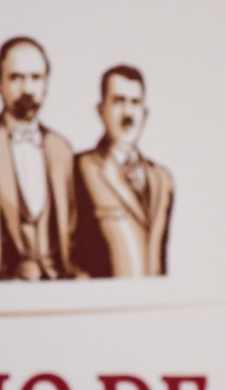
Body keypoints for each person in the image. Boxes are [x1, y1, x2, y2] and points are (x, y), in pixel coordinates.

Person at [0, 37, 77, 280]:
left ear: (46, 83)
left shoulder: (62, 150)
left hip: (59, 287)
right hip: (4, 292)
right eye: (16, 78)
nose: (27, 89)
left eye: (36, 78)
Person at [72, 65, 173, 277]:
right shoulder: (81, 168)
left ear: (144, 112)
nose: (128, 113)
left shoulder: (162, 180)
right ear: (101, 110)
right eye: (118, 101)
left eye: (135, 102)